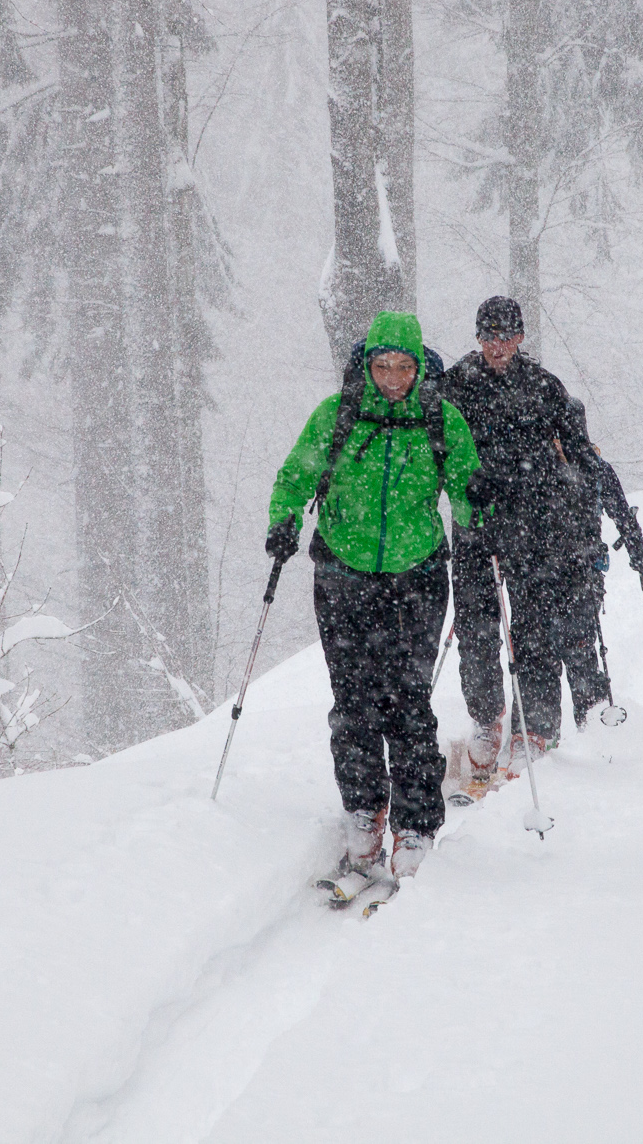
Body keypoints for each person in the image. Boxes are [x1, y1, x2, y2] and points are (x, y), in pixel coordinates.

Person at [266, 311, 481, 884]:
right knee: (353, 701)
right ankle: (364, 808)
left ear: (418, 366)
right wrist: (284, 520)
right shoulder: (337, 414)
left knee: (408, 699)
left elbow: (466, 490)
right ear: (367, 364)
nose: (391, 377)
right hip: (343, 572)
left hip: (416, 574)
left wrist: (480, 502)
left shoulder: (439, 417)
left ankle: (415, 824)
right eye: (382, 366)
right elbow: (296, 476)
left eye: (403, 366)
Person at [442, 296, 643, 780]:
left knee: (531, 632)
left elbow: (588, 460)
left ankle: (533, 729)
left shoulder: (542, 386)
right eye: (489, 335)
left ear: (520, 337)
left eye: (506, 335)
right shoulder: (456, 386)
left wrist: (627, 526)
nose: (498, 345)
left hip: (532, 529)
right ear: (477, 337)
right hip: (475, 526)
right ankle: (486, 719)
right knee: (475, 628)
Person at [554, 397, 643, 729]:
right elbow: (621, 511)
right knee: (565, 649)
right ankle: (581, 722)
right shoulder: (585, 465)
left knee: (574, 646)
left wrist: (636, 546)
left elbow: (620, 511)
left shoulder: (592, 467)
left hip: (579, 569)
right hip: (558, 569)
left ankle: (588, 722)